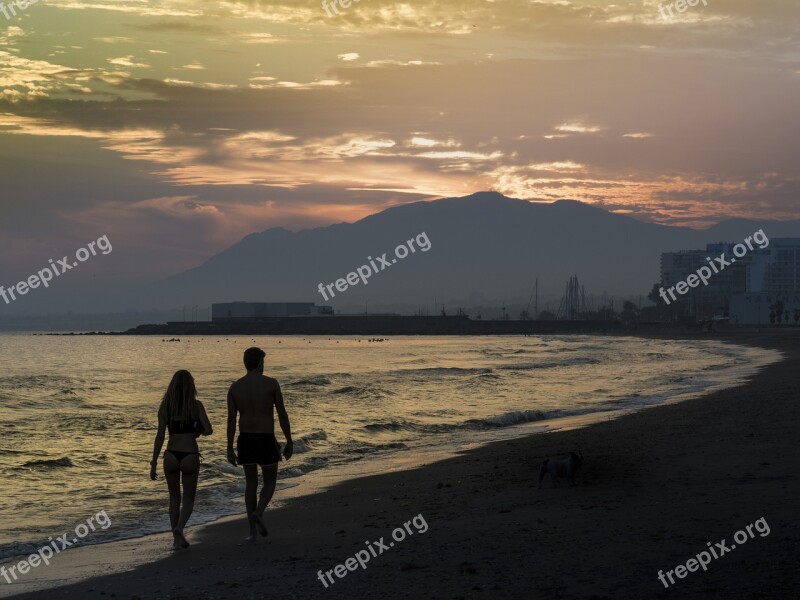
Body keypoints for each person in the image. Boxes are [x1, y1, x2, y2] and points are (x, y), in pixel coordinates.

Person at [227, 347, 293, 540]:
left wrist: (229, 447)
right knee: (270, 481)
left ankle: (251, 533)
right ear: (260, 364)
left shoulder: (235, 388)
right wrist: (289, 440)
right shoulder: (271, 384)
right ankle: (259, 512)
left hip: (245, 439)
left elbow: (231, 420)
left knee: (250, 484)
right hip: (265, 437)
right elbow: (282, 414)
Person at [150, 370, 213, 550]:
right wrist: (197, 432)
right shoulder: (196, 406)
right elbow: (209, 430)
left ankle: (176, 540)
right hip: (189, 455)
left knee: (173, 498)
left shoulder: (165, 407)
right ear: (191, 386)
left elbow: (160, 436)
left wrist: (153, 462)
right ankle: (180, 528)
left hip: (170, 455)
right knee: (189, 499)